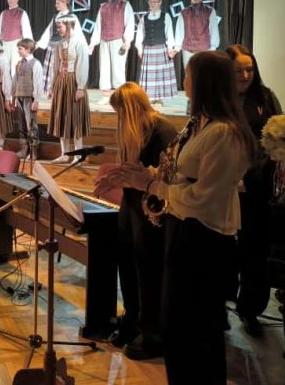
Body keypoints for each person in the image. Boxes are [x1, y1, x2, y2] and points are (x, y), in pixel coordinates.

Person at [110, 51, 255, 385]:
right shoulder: (199, 124)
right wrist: (144, 174)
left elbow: (202, 199)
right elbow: (177, 174)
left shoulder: (225, 133)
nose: (183, 79)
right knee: (178, 333)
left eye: (187, 74)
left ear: (203, 82)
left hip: (206, 241)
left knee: (197, 337)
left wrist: (151, 186)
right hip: (184, 233)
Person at [103, 83, 177, 360]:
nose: (119, 119)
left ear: (131, 108)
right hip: (132, 202)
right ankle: (132, 317)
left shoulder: (162, 130)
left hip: (151, 207)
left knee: (147, 266)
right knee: (126, 260)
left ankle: (151, 328)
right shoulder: (135, 130)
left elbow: (166, 176)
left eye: (121, 112)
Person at [226, 44, 283, 336]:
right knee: (224, 251)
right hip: (224, 186)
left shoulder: (266, 97)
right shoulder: (219, 99)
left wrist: (254, 174)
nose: (245, 75)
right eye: (238, 70)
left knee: (255, 251)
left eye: (249, 69)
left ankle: (250, 310)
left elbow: (278, 138)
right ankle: (221, 305)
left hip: (257, 187)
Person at [47, 14, 90, 163]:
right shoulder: (60, 44)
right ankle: (65, 154)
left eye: (60, 26)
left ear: (69, 25)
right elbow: (55, 66)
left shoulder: (79, 42)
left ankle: (78, 155)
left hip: (73, 81)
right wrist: (52, 86)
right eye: (57, 26)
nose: (58, 29)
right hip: (61, 82)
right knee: (62, 117)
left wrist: (80, 87)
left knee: (75, 118)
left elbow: (82, 64)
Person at [89, 0, 135, 104]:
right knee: (104, 68)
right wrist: (93, 43)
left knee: (118, 68)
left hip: (118, 40)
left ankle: (120, 97)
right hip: (104, 40)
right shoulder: (103, 7)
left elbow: (130, 23)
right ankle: (106, 96)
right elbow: (98, 26)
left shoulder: (125, 4)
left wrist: (127, 40)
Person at [135, 0, 178, 104]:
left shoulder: (165, 16)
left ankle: (159, 98)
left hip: (161, 48)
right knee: (150, 76)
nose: (152, 4)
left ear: (160, 3)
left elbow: (169, 32)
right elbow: (140, 33)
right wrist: (139, 48)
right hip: (148, 49)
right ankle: (150, 98)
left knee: (160, 75)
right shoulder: (144, 17)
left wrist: (170, 47)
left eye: (155, 2)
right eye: (151, 2)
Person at [37, 0, 84, 93]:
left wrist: (82, 46)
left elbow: (78, 32)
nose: (56, 5)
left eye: (58, 3)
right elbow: (49, 31)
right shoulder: (56, 16)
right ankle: (51, 89)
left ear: (64, 3)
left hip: (64, 45)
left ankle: (61, 88)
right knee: (52, 68)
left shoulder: (72, 17)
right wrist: (39, 43)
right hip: (53, 45)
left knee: (61, 67)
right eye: (56, 3)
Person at [174, 0, 219, 70]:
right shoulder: (184, 13)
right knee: (189, 74)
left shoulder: (210, 11)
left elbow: (213, 30)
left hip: (205, 49)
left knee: (204, 74)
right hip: (188, 50)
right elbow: (180, 31)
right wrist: (177, 47)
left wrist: (213, 47)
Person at [11, 38, 44, 159]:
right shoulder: (19, 64)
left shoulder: (35, 63)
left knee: (31, 125)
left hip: (29, 98)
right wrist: (13, 96)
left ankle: (33, 150)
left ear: (28, 49)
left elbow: (38, 82)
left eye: (20, 49)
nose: (18, 51)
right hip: (19, 96)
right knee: (22, 124)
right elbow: (15, 81)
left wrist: (36, 99)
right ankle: (24, 149)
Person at [0, 0, 33, 77]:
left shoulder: (22, 13)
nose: (10, 1)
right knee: (2, 67)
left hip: (16, 44)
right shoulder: (3, 13)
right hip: (4, 44)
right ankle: (4, 85)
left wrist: (28, 45)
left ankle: (16, 85)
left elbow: (26, 30)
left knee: (15, 68)